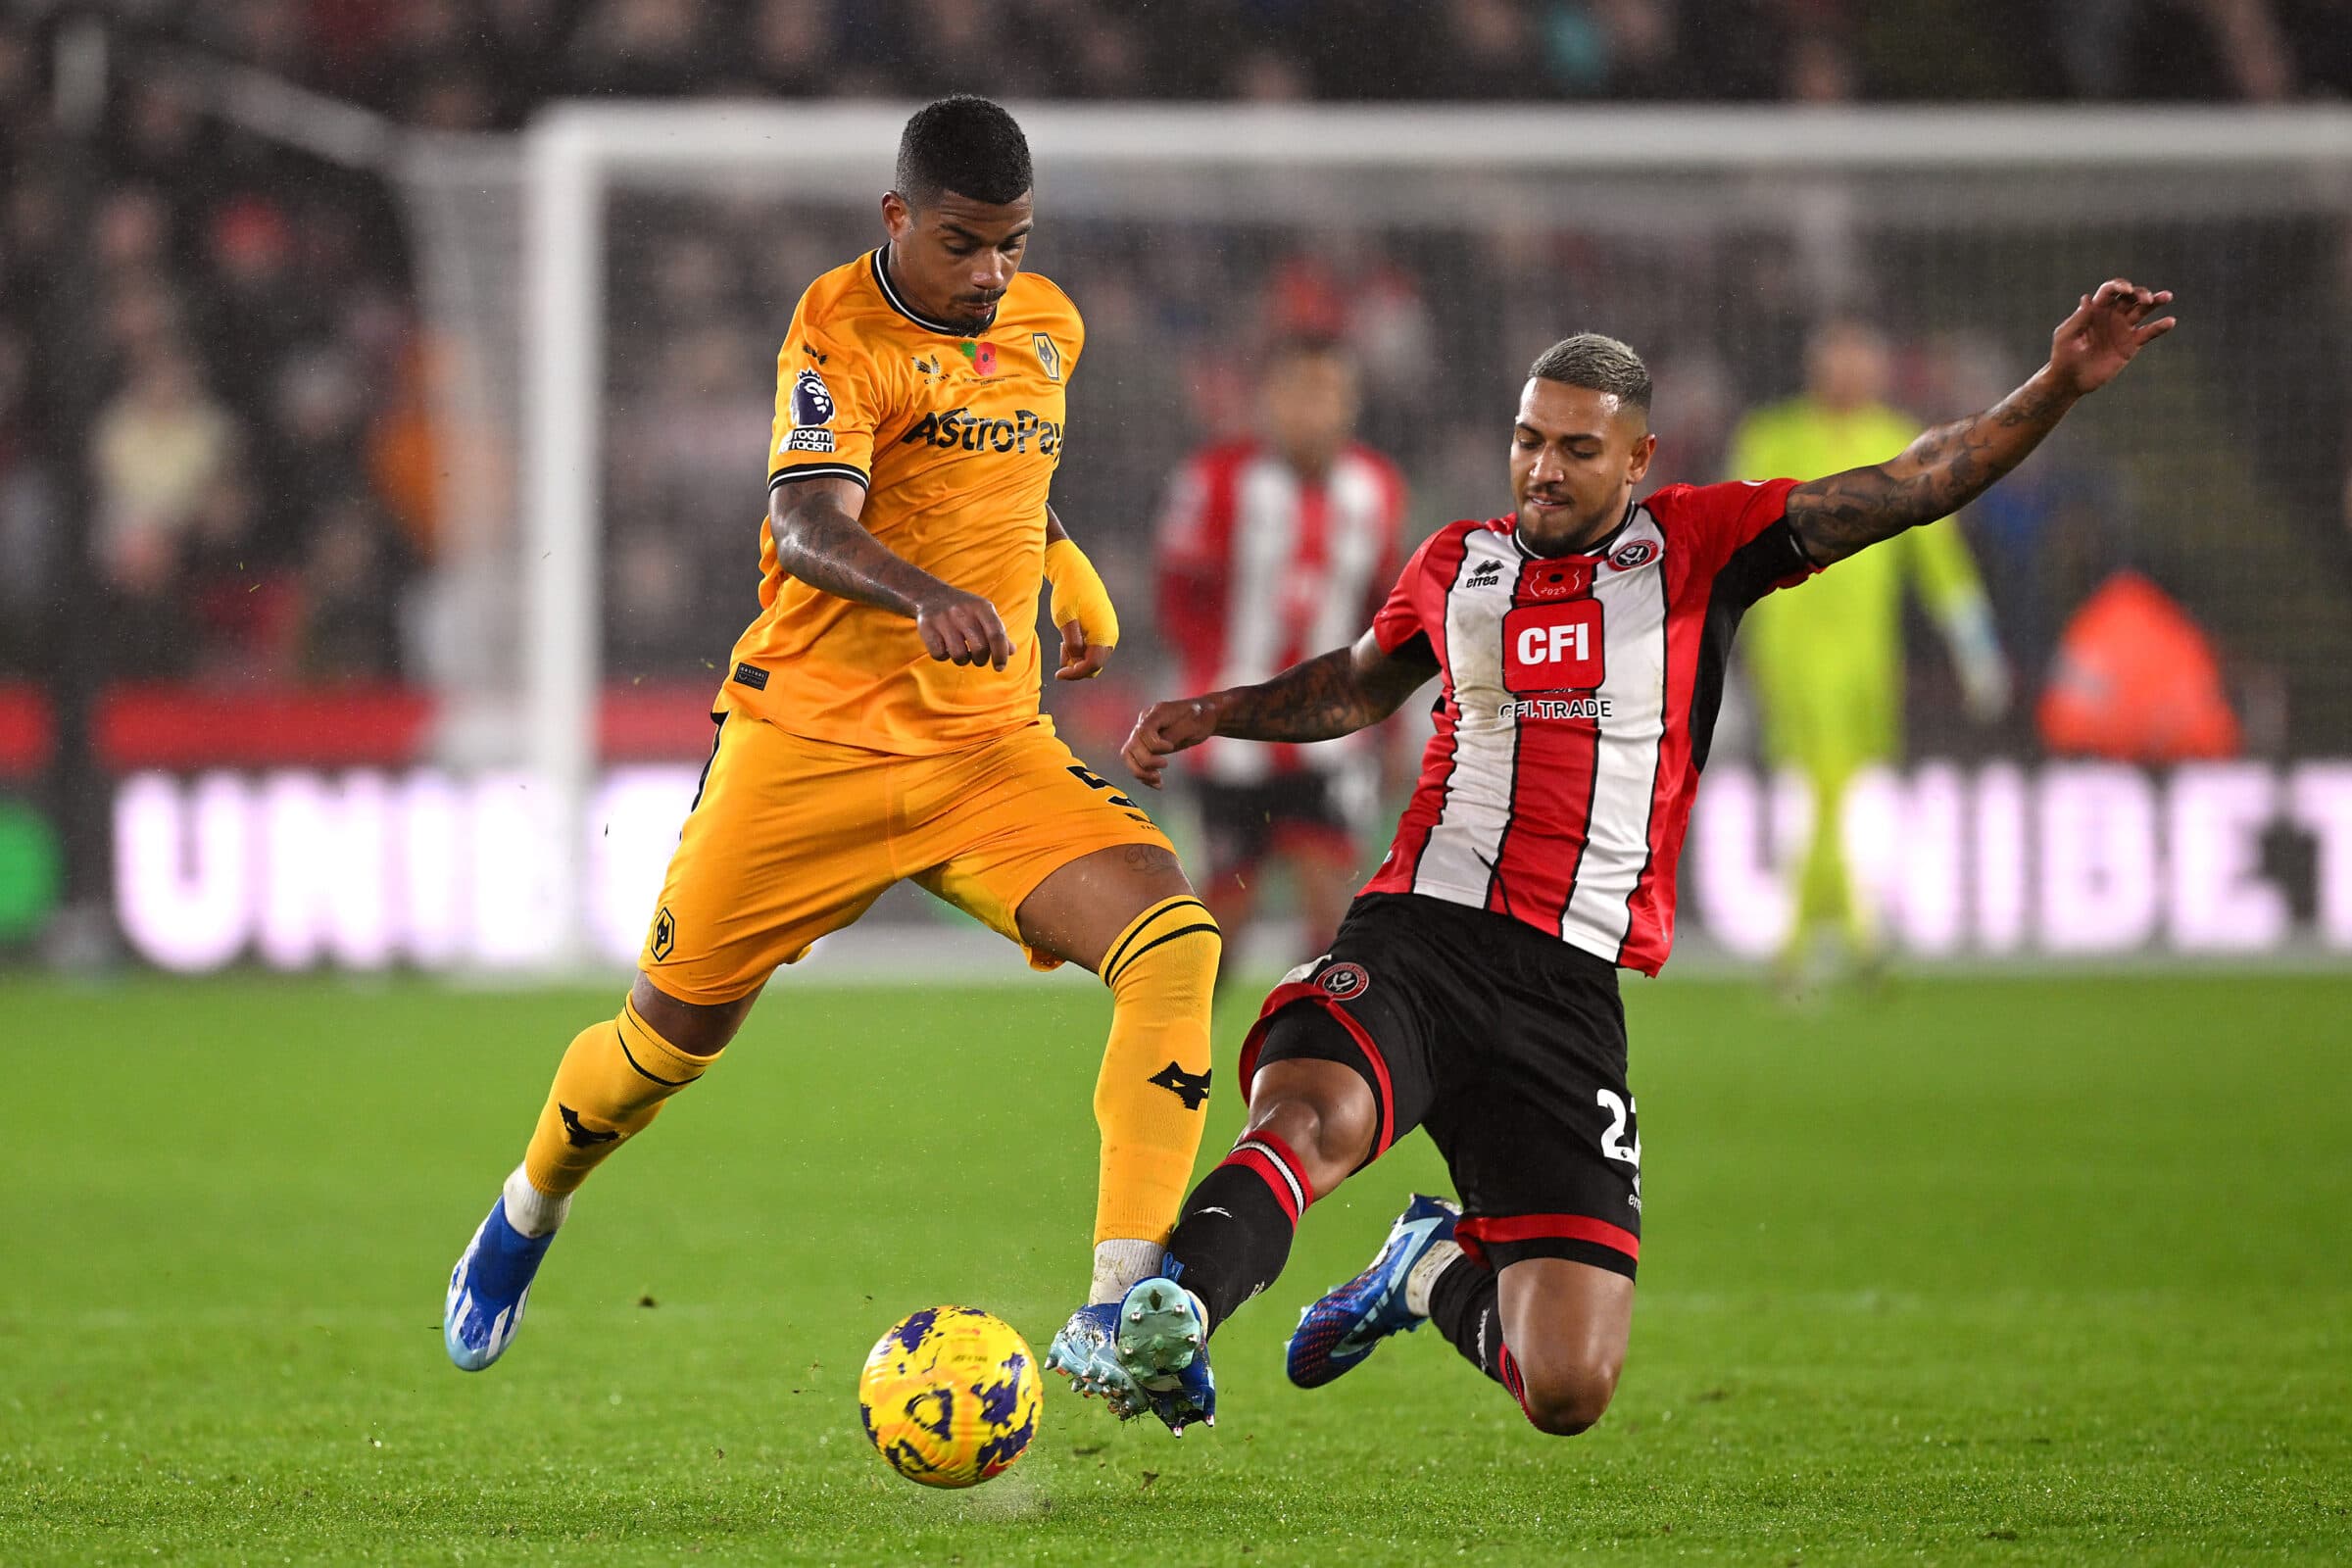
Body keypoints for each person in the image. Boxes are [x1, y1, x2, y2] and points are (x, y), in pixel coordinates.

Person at [1059, 280, 2175, 1435]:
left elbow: (1914, 482)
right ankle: (1167, 1312)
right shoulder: (1458, 564)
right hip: (1420, 931)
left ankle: (1427, 1269)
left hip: (1567, 988)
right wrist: (1215, 712)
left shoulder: (1701, 546)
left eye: (1578, 450)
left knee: (1569, 1387)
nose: (1543, 469)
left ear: (1638, 457)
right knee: (1308, 1115)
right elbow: (1352, 683)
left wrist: (2052, 390)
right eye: (1528, 440)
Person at [444, 97, 1222, 1372]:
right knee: (658, 1054)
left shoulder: (1048, 327)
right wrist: (930, 597)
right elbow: (810, 522)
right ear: (898, 218)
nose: (992, 276)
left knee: (1174, 943)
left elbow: (994, 472)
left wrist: (1061, 564)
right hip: (810, 748)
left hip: (986, 752)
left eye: (1013, 244)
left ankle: (1121, 1307)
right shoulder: (837, 330)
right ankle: (527, 1206)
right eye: (965, 244)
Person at [1727, 318, 2010, 984]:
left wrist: (1975, 645)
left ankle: (1819, 935)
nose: (1851, 374)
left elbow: (1939, 558)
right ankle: (1836, 937)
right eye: (1839, 361)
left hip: (1869, 657)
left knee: (1844, 789)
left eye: (1862, 361)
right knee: (1822, 781)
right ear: (1815, 367)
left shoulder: (1896, 441)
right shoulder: (1773, 438)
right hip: (1792, 650)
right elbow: (1729, 542)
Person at [1153, 336, 1407, 964]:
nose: (1313, 410)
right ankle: (1171, 1057)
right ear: (1269, 399)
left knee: (1338, 919)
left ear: (1350, 404)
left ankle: (1319, 1053)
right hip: (1230, 740)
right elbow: (1176, 597)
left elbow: (1390, 615)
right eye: (1299, 392)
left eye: (1328, 394)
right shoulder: (1216, 480)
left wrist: (1392, 722)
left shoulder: (1376, 489)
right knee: (1219, 927)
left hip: (1331, 733)